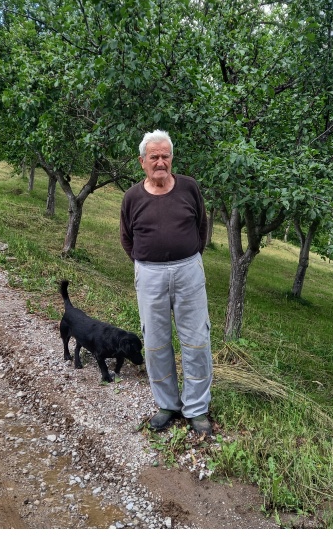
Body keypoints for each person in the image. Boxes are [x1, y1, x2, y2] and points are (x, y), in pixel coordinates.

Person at [120, 129, 213, 440]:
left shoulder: (189, 188)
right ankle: (167, 405)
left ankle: (196, 408)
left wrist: (187, 256)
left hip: (189, 270)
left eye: (165, 156)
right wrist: (148, 262)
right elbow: (126, 238)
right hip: (149, 275)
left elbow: (202, 225)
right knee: (156, 343)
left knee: (197, 340)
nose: (160, 162)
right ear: (142, 161)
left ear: (171, 158)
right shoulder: (132, 196)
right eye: (154, 157)